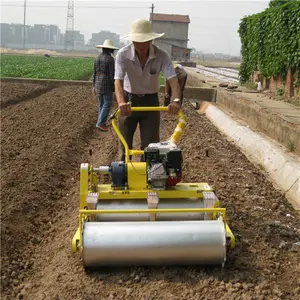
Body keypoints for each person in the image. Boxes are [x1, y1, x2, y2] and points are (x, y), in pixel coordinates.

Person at [114, 19, 182, 161]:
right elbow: (118, 81)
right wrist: (121, 102)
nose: (141, 45)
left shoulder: (162, 56)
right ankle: (123, 177)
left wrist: (175, 101)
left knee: (151, 148)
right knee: (124, 146)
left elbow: (174, 82)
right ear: (132, 41)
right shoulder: (122, 55)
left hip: (151, 102)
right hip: (128, 101)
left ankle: (149, 179)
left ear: (151, 40)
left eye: (145, 41)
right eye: (138, 41)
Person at [93, 39, 119, 131]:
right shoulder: (110, 59)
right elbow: (112, 74)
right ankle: (100, 123)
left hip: (97, 84)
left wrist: (93, 86)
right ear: (110, 49)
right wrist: (115, 86)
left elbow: (95, 73)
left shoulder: (97, 58)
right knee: (107, 103)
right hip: (107, 84)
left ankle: (100, 122)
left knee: (101, 104)